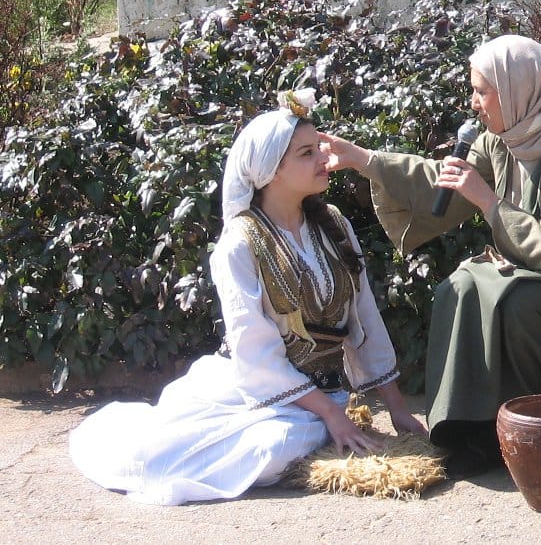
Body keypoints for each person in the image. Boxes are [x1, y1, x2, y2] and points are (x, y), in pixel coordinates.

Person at [69, 91, 423, 506]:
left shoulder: (334, 225)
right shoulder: (238, 244)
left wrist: (396, 409)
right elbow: (254, 353)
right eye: (307, 153)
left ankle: (317, 423)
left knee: (292, 440)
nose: (324, 160)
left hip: (323, 397)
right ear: (271, 171)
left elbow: (366, 322)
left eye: (320, 149)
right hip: (255, 390)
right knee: (264, 449)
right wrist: (330, 415)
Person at [322, 35, 541, 478]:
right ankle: (462, 433)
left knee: (516, 305)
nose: (474, 103)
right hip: (532, 274)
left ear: (518, 89)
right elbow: (448, 182)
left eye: (481, 91)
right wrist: (364, 159)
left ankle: (524, 431)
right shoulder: (504, 136)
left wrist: (489, 202)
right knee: (458, 285)